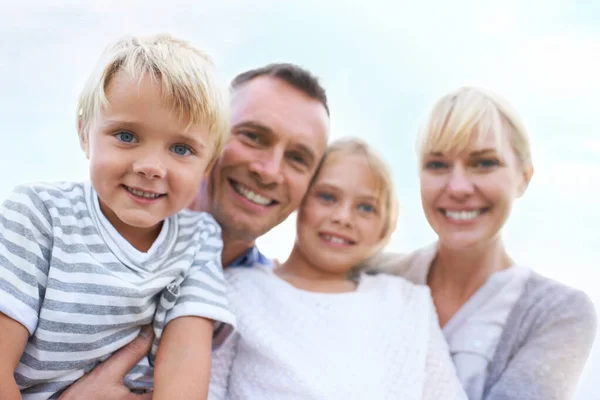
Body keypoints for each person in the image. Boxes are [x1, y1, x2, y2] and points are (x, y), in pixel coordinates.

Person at [57, 63, 331, 399]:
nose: (270, 171)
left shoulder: (274, 310)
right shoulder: (60, 236)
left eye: (298, 158)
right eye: (253, 136)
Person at [0, 34, 236, 400]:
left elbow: (184, 362)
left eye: (181, 148)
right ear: (84, 134)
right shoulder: (38, 215)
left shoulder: (198, 238)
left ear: (208, 164)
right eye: (126, 136)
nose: (150, 166)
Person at [369, 87, 597, 399]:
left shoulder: (558, 313)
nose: (458, 187)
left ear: (523, 177)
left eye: (484, 163)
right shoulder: (372, 278)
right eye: (437, 165)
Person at [208, 138, 467, 400]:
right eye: (327, 197)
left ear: (384, 226)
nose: (343, 217)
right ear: (300, 201)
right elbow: (207, 389)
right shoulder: (237, 292)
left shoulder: (408, 303)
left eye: (366, 208)